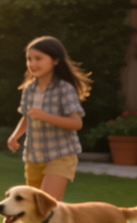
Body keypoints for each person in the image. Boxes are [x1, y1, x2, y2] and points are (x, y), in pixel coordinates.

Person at [6, 36, 91, 201]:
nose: (32, 63)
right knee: (33, 209)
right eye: (29, 59)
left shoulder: (64, 88)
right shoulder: (29, 89)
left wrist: (46, 116)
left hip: (61, 154)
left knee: (47, 207)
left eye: (38, 58)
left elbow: (76, 123)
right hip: (34, 155)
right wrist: (15, 135)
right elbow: (27, 117)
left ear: (55, 60)